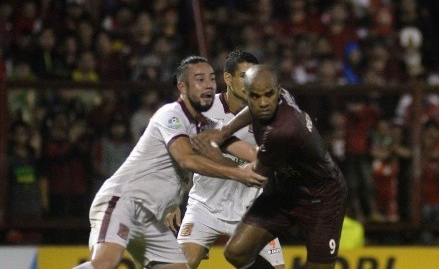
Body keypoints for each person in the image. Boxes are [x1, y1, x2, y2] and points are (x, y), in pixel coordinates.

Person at [73, 56, 267, 269]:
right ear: (182, 87)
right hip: (123, 201)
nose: (209, 85)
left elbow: (251, 152)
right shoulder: (171, 115)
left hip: (150, 217)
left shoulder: (208, 126)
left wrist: (282, 156)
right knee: (105, 263)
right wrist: (239, 173)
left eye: (211, 79)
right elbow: (186, 159)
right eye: (200, 79)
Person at [195, 65, 348, 269]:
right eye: (256, 97)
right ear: (246, 95)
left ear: (278, 90)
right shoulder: (277, 96)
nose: (264, 103)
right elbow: (253, 110)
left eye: (268, 95)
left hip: (322, 198)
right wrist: (224, 131)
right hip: (285, 190)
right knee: (237, 253)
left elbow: (254, 176)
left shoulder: (282, 130)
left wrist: (216, 152)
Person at [169, 50, 285, 268]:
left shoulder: (269, 115)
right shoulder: (203, 108)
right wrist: (172, 198)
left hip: (252, 209)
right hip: (205, 204)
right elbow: (179, 155)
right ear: (228, 79)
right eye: (244, 76)